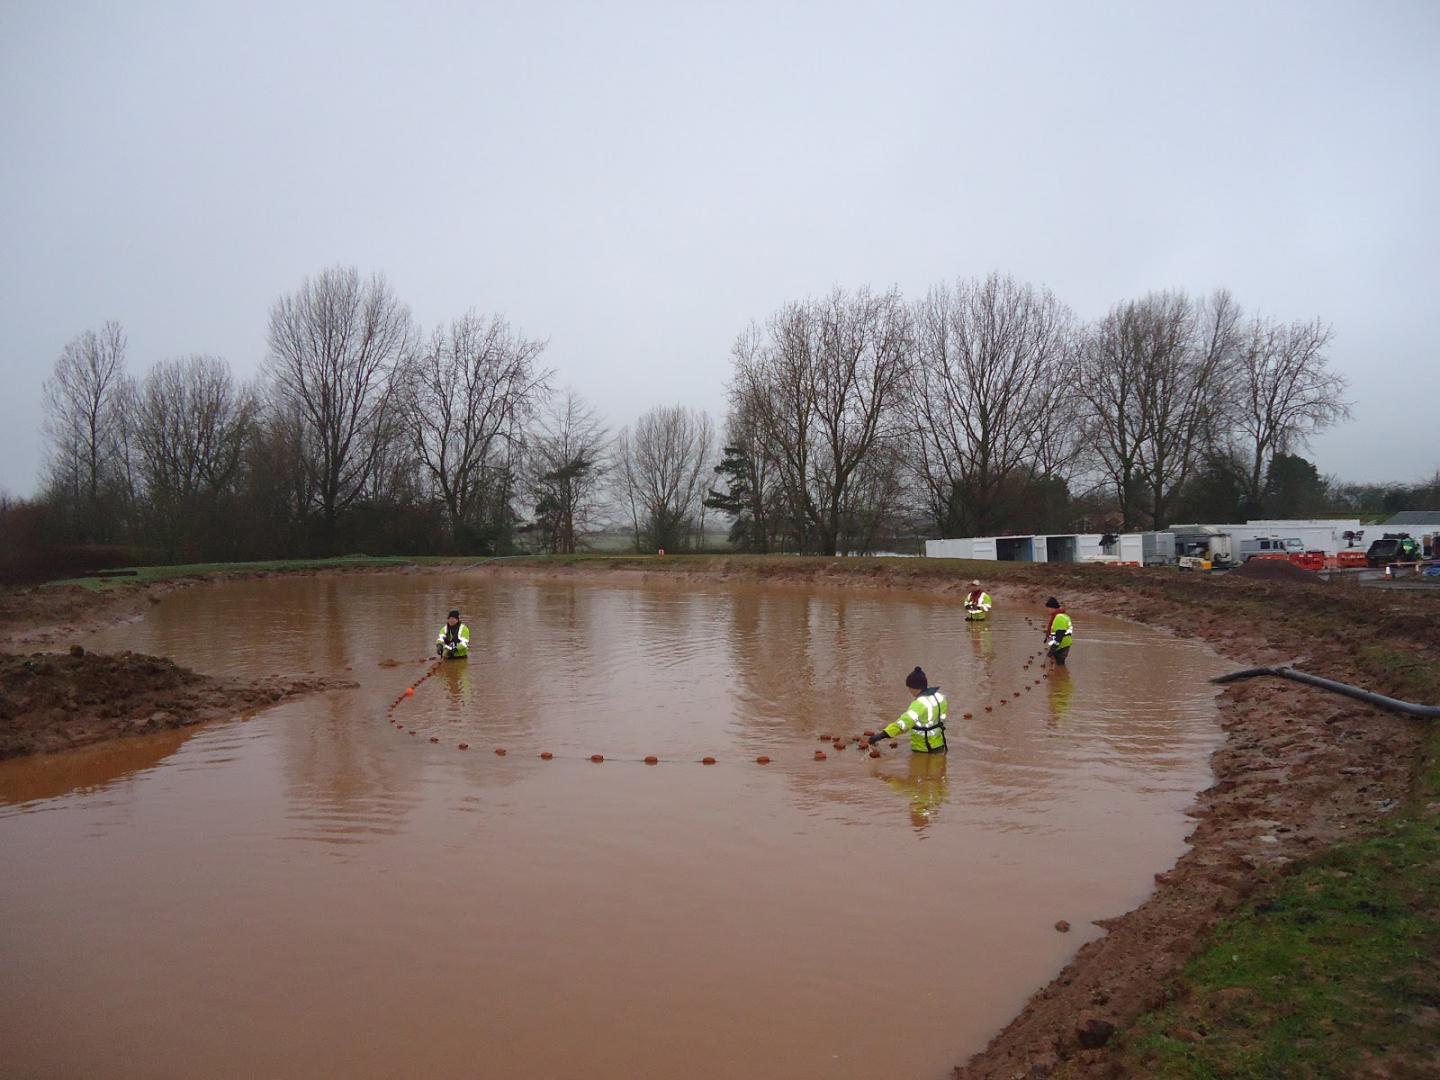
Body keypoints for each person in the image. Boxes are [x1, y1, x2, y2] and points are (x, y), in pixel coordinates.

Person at [868, 666, 948, 753]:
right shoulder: (940, 697)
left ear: (913, 687)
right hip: (939, 743)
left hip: (924, 747)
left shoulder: (919, 704)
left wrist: (880, 736)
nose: (909, 691)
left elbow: (902, 724)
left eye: (909, 688)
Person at [1043, 597, 1073, 666]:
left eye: (1047, 608)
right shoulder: (1060, 615)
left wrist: (1051, 652)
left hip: (1062, 645)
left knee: (1059, 665)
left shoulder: (1059, 618)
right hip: (1064, 644)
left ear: (1052, 608)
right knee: (1056, 665)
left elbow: (1059, 637)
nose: (1046, 610)